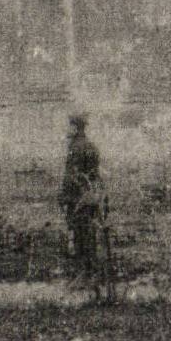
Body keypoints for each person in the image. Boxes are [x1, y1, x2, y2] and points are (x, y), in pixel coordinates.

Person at [59, 114, 103, 278]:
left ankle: (84, 273)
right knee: (89, 233)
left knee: (79, 235)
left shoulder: (75, 148)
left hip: (77, 199)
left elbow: (72, 176)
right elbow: (95, 175)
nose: (67, 129)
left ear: (76, 127)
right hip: (90, 197)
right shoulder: (92, 146)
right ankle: (91, 270)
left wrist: (63, 197)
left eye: (69, 126)